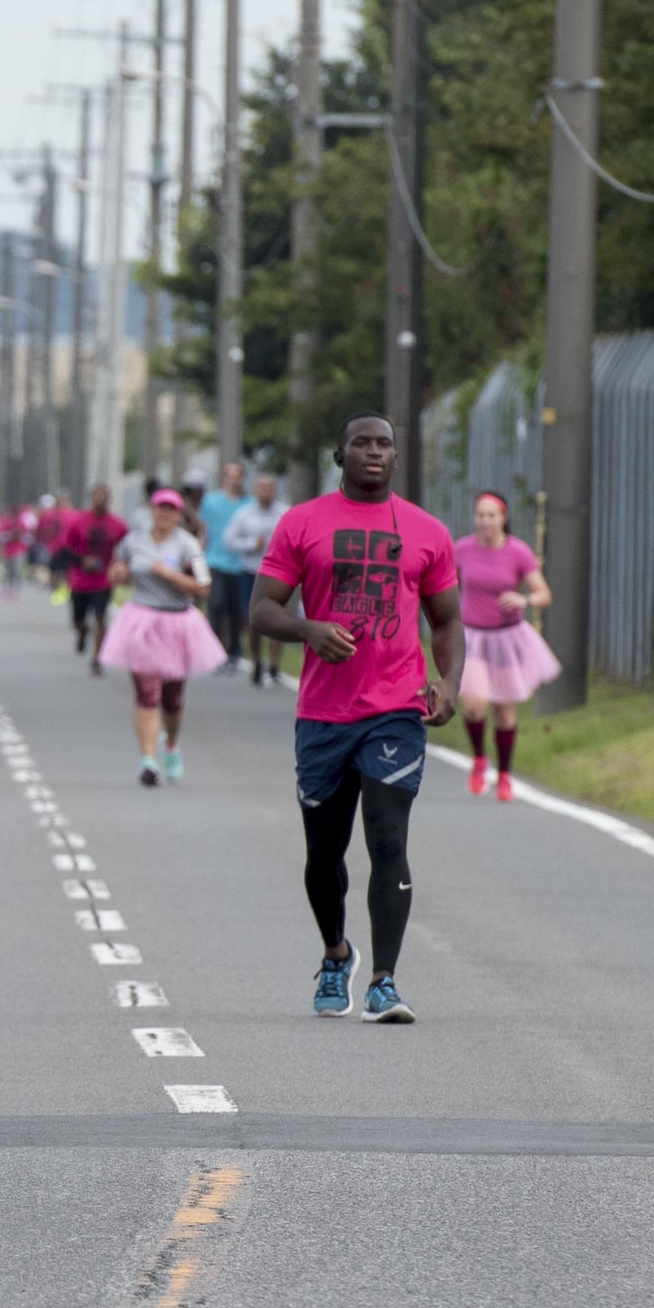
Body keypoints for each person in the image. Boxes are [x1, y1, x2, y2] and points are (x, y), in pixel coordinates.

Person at [251, 412, 464, 1024]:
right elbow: (263, 609)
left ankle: (384, 983)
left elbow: (447, 618)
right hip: (323, 713)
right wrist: (307, 630)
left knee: (388, 838)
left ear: (396, 458)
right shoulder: (302, 524)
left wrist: (447, 683)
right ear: (339, 456)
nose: (374, 452)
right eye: (362, 444)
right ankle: (336, 953)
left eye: (385, 445)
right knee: (324, 853)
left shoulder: (426, 532)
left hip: (395, 708)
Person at [99, 489, 226, 786]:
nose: (164, 514)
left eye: (170, 510)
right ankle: (147, 759)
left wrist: (171, 575)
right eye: (160, 509)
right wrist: (118, 574)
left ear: (179, 514)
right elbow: (118, 571)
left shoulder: (188, 545)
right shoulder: (134, 541)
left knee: (171, 697)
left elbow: (203, 587)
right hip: (142, 619)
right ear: (152, 511)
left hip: (177, 621)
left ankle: (170, 744)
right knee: (146, 692)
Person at [455, 492, 560, 801]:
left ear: (504, 518)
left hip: (506, 638)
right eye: (480, 515)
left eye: (491, 515)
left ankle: (504, 775)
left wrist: (523, 599)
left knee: (504, 710)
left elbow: (543, 593)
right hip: (473, 637)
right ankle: (478, 760)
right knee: (474, 706)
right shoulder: (461, 549)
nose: (485, 521)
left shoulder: (518, 552)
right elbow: (443, 585)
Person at [224, 472, 289, 685]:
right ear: (255, 490)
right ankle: (257, 661)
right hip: (251, 571)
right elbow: (229, 541)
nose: (266, 492)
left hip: (279, 573)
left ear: (275, 490)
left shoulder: (284, 513)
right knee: (253, 620)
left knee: (278, 619)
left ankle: (275, 665)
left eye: (269, 488)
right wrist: (252, 544)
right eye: (262, 487)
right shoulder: (244, 514)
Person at [65, 483, 130, 675]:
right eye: (97, 496)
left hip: (103, 580)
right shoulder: (79, 522)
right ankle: (83, 631)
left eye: (104, 496)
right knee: (77, 620)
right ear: (91, 498)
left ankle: (97, 658)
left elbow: (128, 548)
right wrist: (82, 560)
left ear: (109, 499)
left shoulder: (117, 524)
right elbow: (66, 549)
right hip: (80, 580)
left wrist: (121, 567)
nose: (100, 499)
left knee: (101, 618)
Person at [200, 461, 251, 672]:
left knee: (237, 610)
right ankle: (216, 649)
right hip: (215, 560)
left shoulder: (249, 504)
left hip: (240, 563)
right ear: (224, 477)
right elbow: (204, 531)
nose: (234, 478)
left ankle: (234, 649)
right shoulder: (210, 501)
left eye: (238, 474)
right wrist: (199, 559)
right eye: (230, 474)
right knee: (216, 605)